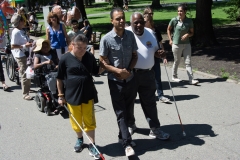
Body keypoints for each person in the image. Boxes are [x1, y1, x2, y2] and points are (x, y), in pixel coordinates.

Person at [99, 8, 138, 157]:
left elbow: (135, 56)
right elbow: (102, 61)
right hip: (115, 82)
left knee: (128, 111)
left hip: (130, 79)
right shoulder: (106, 39)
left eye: (122, 18)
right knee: (120, 113)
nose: (121, 21)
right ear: (112, 21)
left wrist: (128, 70)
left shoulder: (130, 36)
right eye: (118, 19)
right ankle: (126, 144)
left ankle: (122, 136)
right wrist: (117, 71)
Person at [125, 12, 170, 140]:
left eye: (141, 22)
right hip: (131, 75)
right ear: (131, 23)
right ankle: (131, 125)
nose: (139, 25)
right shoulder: (126, 33)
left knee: (150, 103)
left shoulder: (150, 32)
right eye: (136, 23)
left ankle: (155, 129)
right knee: (129, 102)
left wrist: (159, 53)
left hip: (148, 74)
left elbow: (155, 51)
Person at [56, 34, 101, 159]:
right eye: (79, 47)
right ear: (73, 45)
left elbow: (96, 71)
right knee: (75, 120)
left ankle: (92, 144)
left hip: (88, 94)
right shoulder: (65, 59)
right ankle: (80, 139)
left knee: (89, 120)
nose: (82, 50)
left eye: (84, 48)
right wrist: (60, 96)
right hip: (72, 95)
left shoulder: (89, 57)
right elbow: (59, 79)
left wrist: (104, 64)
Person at [167, 3, 199, 85]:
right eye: (178, 11)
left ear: (185, 11)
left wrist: (187, 34)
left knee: (188, 62)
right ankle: (174, 76)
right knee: (177, 61)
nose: (179, 13)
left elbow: (192, 33)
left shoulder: (189, 21)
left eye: (181, 11)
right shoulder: (174, 20)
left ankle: (191, 79)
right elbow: (168, 29)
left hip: (187, 44)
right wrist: (170, 40)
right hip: (176, 44)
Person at [143, 7, 170, 103]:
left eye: (151, 14)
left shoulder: (155, 30)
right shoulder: (141, 29)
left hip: (156, 56)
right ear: (144, 15)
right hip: (145, 57)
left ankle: (161, 95)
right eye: (148, 14)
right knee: (145, 78)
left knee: (157, 76)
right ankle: (148, 95)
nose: (150, 15)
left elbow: (160, 43)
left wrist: (164, 56)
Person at [10, 13, 33, 100]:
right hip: (21, 55)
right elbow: (12, 46)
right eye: (23, 20)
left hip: (26, 54)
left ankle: (27, 88)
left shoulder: (21, 30)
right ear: (19, 22)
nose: (24, 22)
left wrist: (29, 41)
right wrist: (24, 46)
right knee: (24, 74)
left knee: (29, 72)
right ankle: (25, 94)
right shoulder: (15, 32)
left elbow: (24, 41)